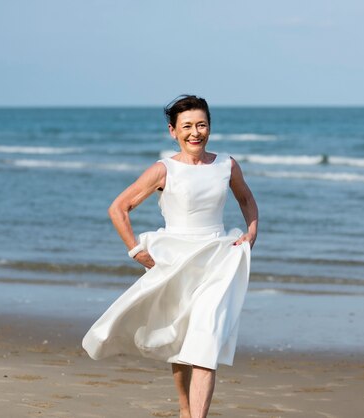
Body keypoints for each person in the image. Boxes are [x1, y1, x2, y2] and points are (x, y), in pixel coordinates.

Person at [82, 95, 258, 418]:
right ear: (172, 131)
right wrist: (136, 249)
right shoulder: (164, 170)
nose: (195, 133)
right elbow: (119, 208)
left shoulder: (227, 165)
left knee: (205, 341)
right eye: (187, 126)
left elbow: (246, 199)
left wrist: (251, 233)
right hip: (176, 261)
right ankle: (184, 407)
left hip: (217, 259)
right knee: (181, 339)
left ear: (210, 127)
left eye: (201, 125)